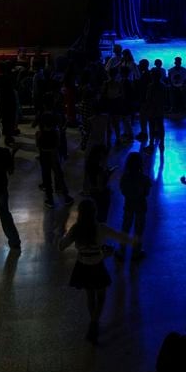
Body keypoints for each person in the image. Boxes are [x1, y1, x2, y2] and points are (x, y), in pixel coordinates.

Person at [58, 199, 136, 344]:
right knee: (101, 296)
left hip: (82, 266)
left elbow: (61, 246)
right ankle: (94, 323)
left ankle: (93, 321)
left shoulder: (76, 229)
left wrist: (62, 235)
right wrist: (133, 241)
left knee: (90, 295)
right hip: (97, 266)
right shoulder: (101, 228)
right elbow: (119, 236)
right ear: (94, 213)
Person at [116, 152, 151, 261]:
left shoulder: (124, 178)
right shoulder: (144, 179)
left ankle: (122, 251)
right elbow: (147, 193)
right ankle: (136, 251)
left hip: (129, 205)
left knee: (125, 227)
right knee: (139, 229)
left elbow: (123, 191)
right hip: (141, 205)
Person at [36, 111, 71, 209]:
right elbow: (58, 144)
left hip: (44, 156)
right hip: (54, 155)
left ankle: (50, 199)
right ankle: (66, 196)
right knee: (59, 175)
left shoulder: (39, 134)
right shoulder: (56, 132)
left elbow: (38, 146)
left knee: (46, 178)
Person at [86, 144, 115, 222]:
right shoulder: (99, 170)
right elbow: (101, 187)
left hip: (93, 192)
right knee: (101, 214)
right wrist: (108, 175)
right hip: (100, 195)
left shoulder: (89, 164)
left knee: (96, 212)